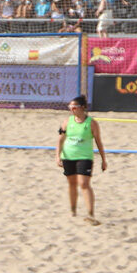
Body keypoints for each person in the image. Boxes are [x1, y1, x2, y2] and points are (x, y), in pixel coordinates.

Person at [55, 95, 107, 224]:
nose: (72, 109)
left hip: (85, 157)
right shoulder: (68, 121)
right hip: (68, 156)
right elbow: (60, 140)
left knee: (84, 183)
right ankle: (73, 210)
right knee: (72, 183)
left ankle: (90, 213)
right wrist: (57, 156)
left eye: (74, 107)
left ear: (82, 108)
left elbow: (99, 142)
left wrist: (103, 159)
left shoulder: (91, 123)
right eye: (70, 107)